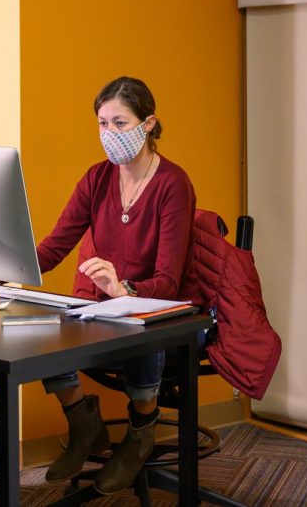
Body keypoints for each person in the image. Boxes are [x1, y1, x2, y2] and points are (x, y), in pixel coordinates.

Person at [37, 76, 199, 494]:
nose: (109, 134)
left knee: (143, 325)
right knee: (45, 329)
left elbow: (166, 283)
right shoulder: (96, 179)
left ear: (148, 124)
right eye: (102, 123)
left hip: (154, 309)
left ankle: (142, 430)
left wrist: (123, 289)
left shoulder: (172, 185)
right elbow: (53, 248)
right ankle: (83, 422)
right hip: (101, 309)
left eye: (120, 123)